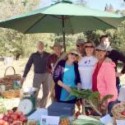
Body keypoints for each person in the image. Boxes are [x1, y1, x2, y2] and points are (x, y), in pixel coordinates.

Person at [21, 41, 50, 108]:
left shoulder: (48, 54)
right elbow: (28, 65)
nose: (41, 47)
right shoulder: (33, 55)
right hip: (37, 76)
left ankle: (42, 106)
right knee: (34, 92)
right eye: (39, 45)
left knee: (46, 92)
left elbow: (52, 64)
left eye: (42, 45)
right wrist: (24, 76)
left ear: (44, 46)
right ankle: (33, 106)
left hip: (47, 75)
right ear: (37, 47)